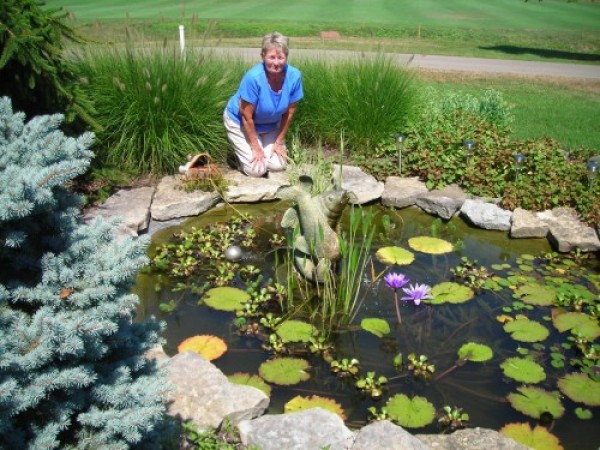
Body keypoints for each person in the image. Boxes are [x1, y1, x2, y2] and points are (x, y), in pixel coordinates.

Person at [224, 32, 303, 177]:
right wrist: (255, 147)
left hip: (270, 124)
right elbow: (246, 116)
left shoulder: (294, 76)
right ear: (262, 56)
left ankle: (260, 146)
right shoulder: (253, 78)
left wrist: (279, 142)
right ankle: (237, 158)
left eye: (281, 57)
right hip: (241, 122)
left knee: (279, 165)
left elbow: (289, 113)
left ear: (286, 57)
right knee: (256, 170)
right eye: (272, 57)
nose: (276, 62)